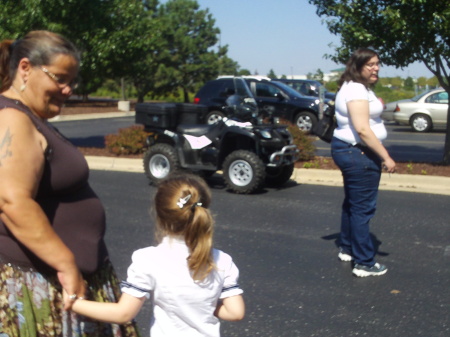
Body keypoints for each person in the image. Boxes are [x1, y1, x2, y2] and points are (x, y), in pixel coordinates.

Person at [0, 31, 139, 336]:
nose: (67, 90)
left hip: (69, 282)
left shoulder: (31, 117)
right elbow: (12, 202)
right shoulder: (13, 119)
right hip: (44, 286)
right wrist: (66, 264)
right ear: (25, 68)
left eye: (72, 81)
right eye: (60, 79)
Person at [64, 173, 245, 337]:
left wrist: (75, 304)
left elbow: (124, 313)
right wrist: (203, 305)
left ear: (160, 218)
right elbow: (236, 313)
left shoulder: (148, 260)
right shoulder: (222, 260)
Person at [331, 48, 396, 277]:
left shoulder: (352, 87)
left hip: (348, 150)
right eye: (370, 64)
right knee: (362, 208)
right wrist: (386, 157)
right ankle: (364, 263)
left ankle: (347, 248)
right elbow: (362, 129)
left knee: (352, 203)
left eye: (377, 63)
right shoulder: (357, 90)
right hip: (358, 152)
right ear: (357, 67)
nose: (376, 68)